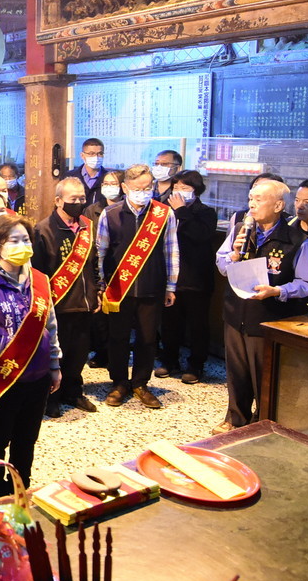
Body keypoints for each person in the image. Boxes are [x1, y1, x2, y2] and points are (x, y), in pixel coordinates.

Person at [0, 214, 62, 498]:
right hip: (1, 380)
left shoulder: (40, 281)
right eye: (14, 240)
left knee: (26, 439)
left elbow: (50, 325)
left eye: (26, 240)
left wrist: (55, 364)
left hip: (37, 377)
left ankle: (21, 489)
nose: (22, 246)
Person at [214, 179, 308, 433]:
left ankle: (262, 423)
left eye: (259, 199)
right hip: (235, 314)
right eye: (251, 198)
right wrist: (234, 255)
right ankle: (235, 417)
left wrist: (279, 291)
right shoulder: (240, 230)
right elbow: (221, 263)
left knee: (264, 377)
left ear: (278, 206)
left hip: (269, 318)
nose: (252, 204)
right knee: (236, 372)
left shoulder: (297, 241)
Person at [96, 164, 179, 410]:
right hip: (118, 289)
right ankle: (119, 383)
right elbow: (100, 252)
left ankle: (141, 383)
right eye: (137, 188)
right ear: (124, 187)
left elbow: (171, 250)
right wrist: (100, 284)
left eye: (147, 188)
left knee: (148, 338)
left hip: (152, 287)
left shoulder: (164, 214)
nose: (143, 193)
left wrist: (171, 286)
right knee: (118, 337)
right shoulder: (110, 214)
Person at [31, 178, 98, 415]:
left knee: (79, 353)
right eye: (73, 199)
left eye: (82, 198)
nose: (79, 202)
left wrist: (97, 291)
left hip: (85, 304)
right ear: (58, 200)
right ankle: (51, 397)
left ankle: (74, 392)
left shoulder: (88, 227)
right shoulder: (43, 229)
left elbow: (94, 263)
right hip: (58, 305)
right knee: (56, 354)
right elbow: (37, 272)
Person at [157, 171, 216, 384]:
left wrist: (182, 210)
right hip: (171, 277)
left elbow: (201, 235)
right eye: (176, 188)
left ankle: (196, 365)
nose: (179, 192)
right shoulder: (165, 210)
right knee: (170, 323)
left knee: (198, 325)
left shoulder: (206, 212)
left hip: (197, 279)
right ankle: (169, 360)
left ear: (196, 190)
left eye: (185, 188)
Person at [84, 170, 124, 373]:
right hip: (97, 266)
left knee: (118, 317)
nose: (109, 187)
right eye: (106, 183)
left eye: (113, 183)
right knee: (99, 315)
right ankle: (101, 353)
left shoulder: (126, 210)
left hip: (120, 268)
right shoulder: (92, 210)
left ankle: (117, 355)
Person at [63, 138, 108, 206]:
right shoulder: (69, 177)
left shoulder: (108, 178)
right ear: (82, 156)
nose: (96, 157)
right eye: (91, 153)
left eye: (100, 153)